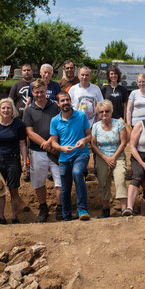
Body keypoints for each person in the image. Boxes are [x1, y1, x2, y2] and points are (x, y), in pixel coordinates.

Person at [23, 79, 62, 222]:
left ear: (46, 91)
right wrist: (45, 144)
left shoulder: (55, 107)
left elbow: (60, 126)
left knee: (60, 181)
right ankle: (43, 207)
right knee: (39, 182)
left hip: (56, 150)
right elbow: (29, 132)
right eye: (36, 92)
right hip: (37, 151)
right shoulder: (29, 110)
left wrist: (51, 142)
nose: (39, 94)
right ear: (32, 93)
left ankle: (59, 208)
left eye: (42, 91)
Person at [50, 91, 92, 221]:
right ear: (58, 104)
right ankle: (66, 215)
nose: (65, 103)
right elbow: (53, 142)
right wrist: (61, 148)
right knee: (65, 187)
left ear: (70, 101)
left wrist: (83, 141)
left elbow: (90, 136)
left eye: (67, 100)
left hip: (81, 154)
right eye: (62, 101)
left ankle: (82, 210)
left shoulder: (81, 116)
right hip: (64, 157)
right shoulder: (55, 120)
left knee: (78, 173)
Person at [0, 98, 27, 224]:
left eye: (8, 108)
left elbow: (22, 144)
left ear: (12, 109)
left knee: (14, 189)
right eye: (3, 108)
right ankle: (1, 217)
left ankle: (15, 216)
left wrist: (25, 163)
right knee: (0, 190)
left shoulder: (18, 124)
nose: (6, 110)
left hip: (13, 160)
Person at [91, 100, 128, 218]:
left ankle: (124, 209)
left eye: (107, 111)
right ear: (98, 113)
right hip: (102, 157)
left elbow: (123, 142)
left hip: (117, 156)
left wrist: (113, 157)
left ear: (111, 111)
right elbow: (94, 144)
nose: (104, 113)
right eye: (101, 112)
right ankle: (105, 209)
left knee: (120, 178)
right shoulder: (96, 126)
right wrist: (105, 158)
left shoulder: (119, 124)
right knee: (103, 183)